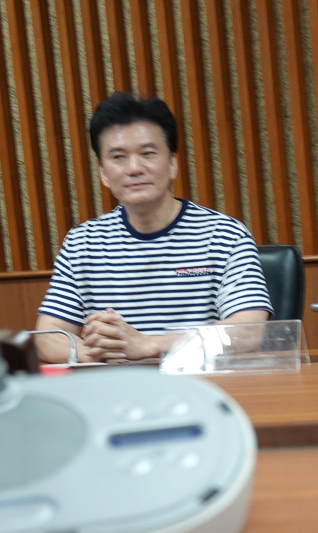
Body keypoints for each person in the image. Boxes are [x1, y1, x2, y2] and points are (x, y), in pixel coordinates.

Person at [35, 92, 272, 363]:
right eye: (118, 157)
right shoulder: (83, 243)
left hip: (201, 383)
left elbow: (249, 330)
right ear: (103, 173)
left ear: (172, 164)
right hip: (117, 385)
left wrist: (149, 345)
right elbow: (46, 337)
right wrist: (106, 354)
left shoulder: (223, 235)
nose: (134, 168)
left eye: (147, 154)